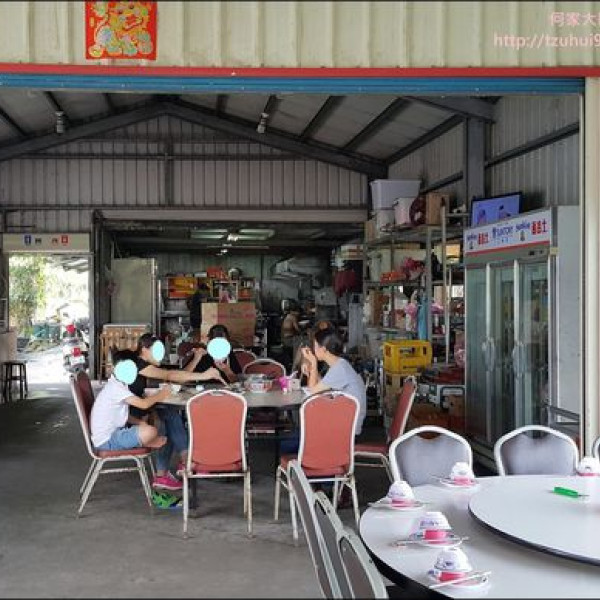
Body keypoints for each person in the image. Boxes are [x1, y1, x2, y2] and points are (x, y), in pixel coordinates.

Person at [128, 333, 226, 491]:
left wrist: (196, 358)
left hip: (138, 411)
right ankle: (184, 462)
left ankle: (174, 467)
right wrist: (203, 375)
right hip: (128, 418)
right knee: (166, 417)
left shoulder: (144, 364)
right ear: (144, 349)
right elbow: (170, 375)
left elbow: (178, 377)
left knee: (169, 413)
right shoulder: (138, 365)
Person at [90, 349, 170, 453]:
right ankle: (146, 442)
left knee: (147, 427)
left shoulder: (118, 384)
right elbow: (143, 404)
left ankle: (144, 441)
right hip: (108, 441)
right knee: (151, 431)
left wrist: (140, 422)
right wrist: (162, 394)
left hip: (110, 436)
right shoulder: (116, 388)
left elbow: (124, 415)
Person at [300, 328, 367, 437]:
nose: (313, 350)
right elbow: (321, 385)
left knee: (307, 425)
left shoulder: (339, 368)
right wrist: (312, 369)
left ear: (323, 349)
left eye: (315, 346)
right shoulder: (340, 364)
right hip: (346, 420)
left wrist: (313, 363)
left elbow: (312, 392)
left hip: (348, 429)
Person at [281, 303, 303, 371]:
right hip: (289, 340)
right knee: (301, 343)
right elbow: (297, 329)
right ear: (294, 312)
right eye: (298, 312)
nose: (298, 314)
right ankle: (296, 365)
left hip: (284, 339)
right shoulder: (293, 317)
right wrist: (303, 331)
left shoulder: (287, 316)